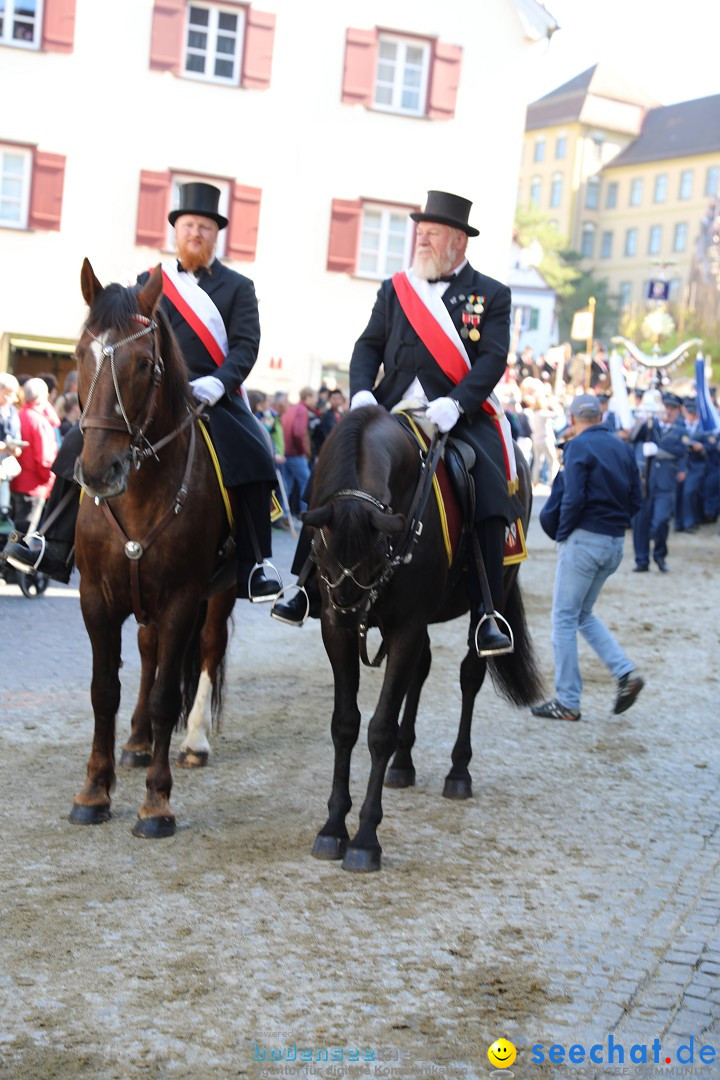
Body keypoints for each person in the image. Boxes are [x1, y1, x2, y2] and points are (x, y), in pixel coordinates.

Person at [2, 183, 279, 600]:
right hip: (151, 391)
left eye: (205, 227)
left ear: (215, 234)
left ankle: (256, 564)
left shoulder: (238, 287)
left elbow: (246, 346)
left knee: (255, 449)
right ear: (176, 231)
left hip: (212, 394)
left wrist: (219, 382)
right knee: (80, 437)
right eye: (189, 226)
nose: (196, 234)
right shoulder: (147, 281)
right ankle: (51, 540)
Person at [273, 190, 520, 655]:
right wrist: (363, 389)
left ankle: (489, 609)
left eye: (432, 234)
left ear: (459, 242)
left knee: (485, 480)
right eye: (420, 233)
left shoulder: (491, 294)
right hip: (389, 408)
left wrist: (459, 402)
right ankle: (303, 584)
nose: (422, 241)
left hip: (458, 415)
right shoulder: (395, 288)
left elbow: (493, 359)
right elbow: (368, 345)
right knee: (333, 467)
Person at [531, 394, 644, 722]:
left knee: (564, 618)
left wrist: (565, 533)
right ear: (599, 415)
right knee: (581, 615)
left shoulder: (577, 447)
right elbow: (637, 498)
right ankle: (625, 673)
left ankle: (567, 700)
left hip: (585, 540)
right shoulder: (622, 447)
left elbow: (574, 497)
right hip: (613, 542)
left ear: (574, 418)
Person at [629, 390, 687, 573]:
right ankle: (641, 559)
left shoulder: (681, 430)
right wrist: (643, 419)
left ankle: (660, 555)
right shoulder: (650, 425)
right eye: (666, 407)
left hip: (665, 482)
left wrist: (657, 450)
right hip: (646, 480)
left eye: (673, 409)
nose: (668, 411)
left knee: (661, 520)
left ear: (678, 411)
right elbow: (633, 437)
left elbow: (680, 450)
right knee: (640, 521)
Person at [9, 378, 58, 539]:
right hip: (34, 486)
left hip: (17, 483)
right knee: (24, 536)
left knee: (15, 531)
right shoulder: (38, 421)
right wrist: (49, 481)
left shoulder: (20, 415)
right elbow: (45, 459)